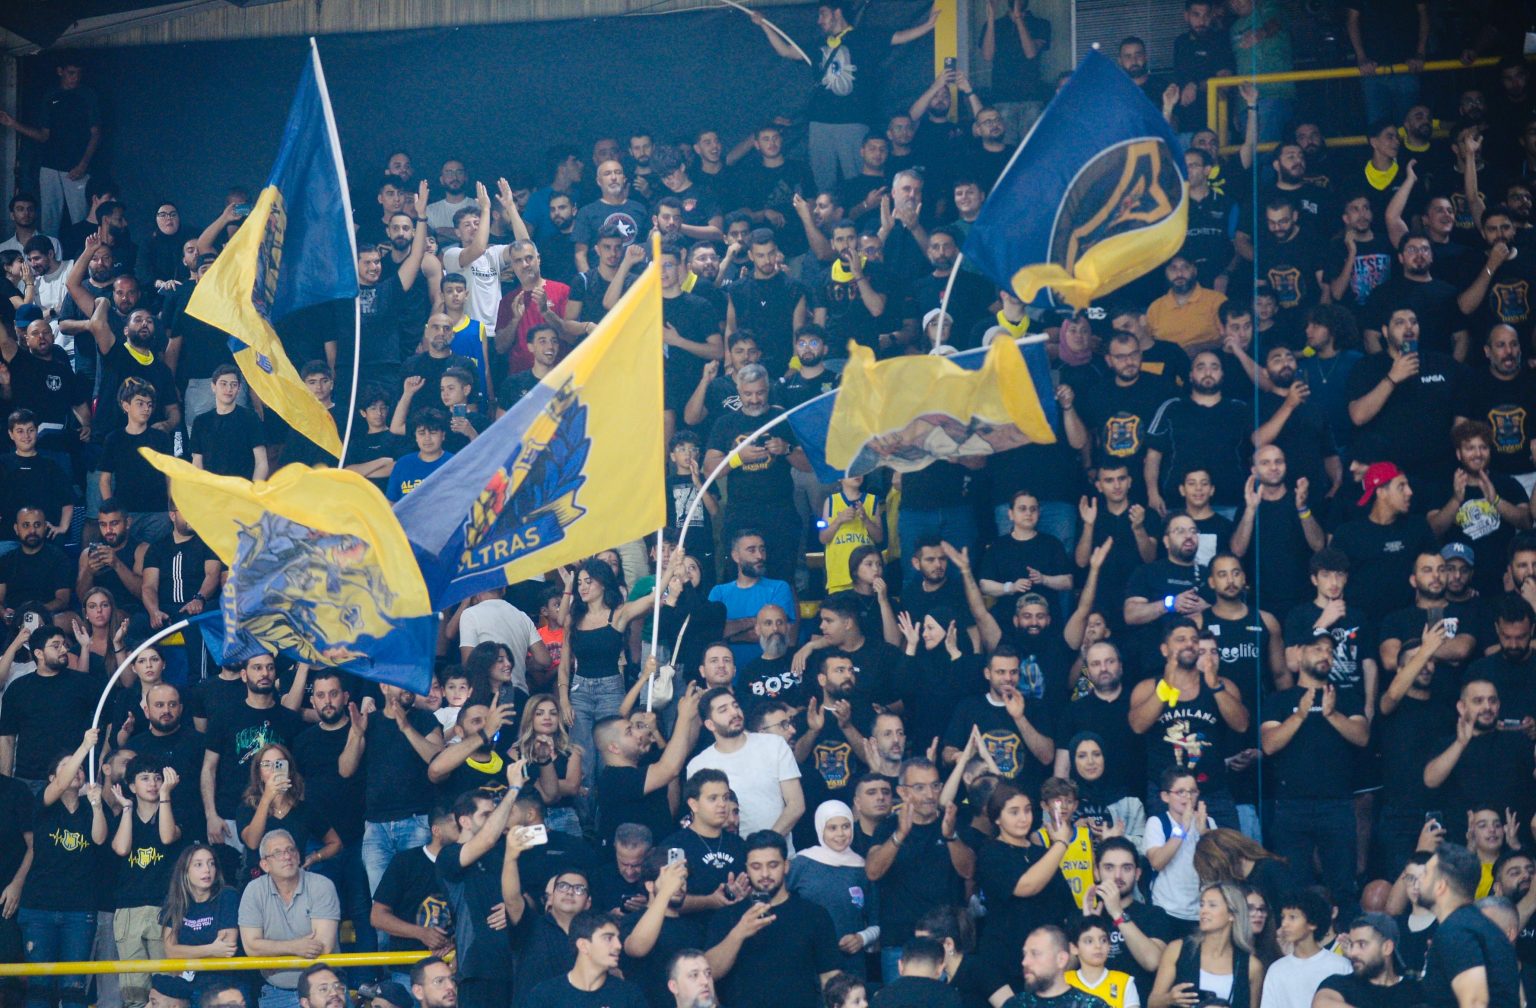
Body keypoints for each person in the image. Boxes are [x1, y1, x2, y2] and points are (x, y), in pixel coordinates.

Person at [705, 830, 841, 1008]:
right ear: (746, 869)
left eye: (773, 865)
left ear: (786, 866)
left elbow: (830, 978)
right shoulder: (727, 916)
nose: (765, 874)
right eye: (756, 866)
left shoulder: (814, 915)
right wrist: (739, 932)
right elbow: (708, 973)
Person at [20, 732, 108, 1008]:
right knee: (39, 987)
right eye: (69, 766)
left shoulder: (88, 807)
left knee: (74, 988)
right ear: (51, 777)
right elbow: (60, 784)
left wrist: (97, 805)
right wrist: (84, 746)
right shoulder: (44, 803)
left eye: (80, 767)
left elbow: (99, 839)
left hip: (79, 909)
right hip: (39, 907)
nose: (77, 770)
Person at [865, 758, 970, 980]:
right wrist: (900, 835)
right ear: (902, 792)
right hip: (901, 943)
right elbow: (872, 872)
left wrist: (951, 836)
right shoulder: (887, 827)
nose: (930, 794)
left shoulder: (952, 822)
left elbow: (969, 871)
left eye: (935, 786)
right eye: (920, 787)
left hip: (947, 942)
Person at [975, 784, 1076, 1002]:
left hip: (1046, 964)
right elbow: (1026, 886)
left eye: (1028, 810)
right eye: (1014, 812)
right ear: (997, 818)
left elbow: (1065, 904)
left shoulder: (1041, 853)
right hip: (1003, 962)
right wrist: (1061, 843)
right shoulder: (990, 853)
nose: (1023, 818)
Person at [236, 830, 340, 1008]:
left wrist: (272, 953)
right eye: (277, 853)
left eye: (291, 850)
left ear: (298, 856)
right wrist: (295, 947)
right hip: (276, 992)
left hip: (324, 990)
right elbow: (251, 947)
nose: (287, 856)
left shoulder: (321, 885)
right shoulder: (253, 890)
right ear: (265, 865)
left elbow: (323, 946)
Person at [687, 688, 805, 840]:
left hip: (777, 851)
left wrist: (766, 845)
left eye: (735, 706)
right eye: (723, 710)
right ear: (710, 725)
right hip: (727, 853)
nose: (734, 712)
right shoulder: (698, 765)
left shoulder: (775, 745)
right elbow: (702, 821)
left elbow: (796, 804)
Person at [1414, 843, 1522, 1007]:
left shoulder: (1456, 930)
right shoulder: (1484, 927)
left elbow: (1475, 1002)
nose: (1419, 879)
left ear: (1441, 886)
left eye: (1426, 873)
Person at [787, 800, 879, 978]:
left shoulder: (862, 867)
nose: (840, 834)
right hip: (807, 962)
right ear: (820, 828)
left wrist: (861, 938)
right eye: (832, 828)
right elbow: (781, 903)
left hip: (851, 966)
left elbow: (875, 921)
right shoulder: (802, 863)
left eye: (846, 826)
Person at [1147, 883, 1263, 1008]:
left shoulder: (1252, 966)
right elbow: (1152, 1003)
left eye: (1212, 905)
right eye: (1202, 905)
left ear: (1232, 915)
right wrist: (1169, 999)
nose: (1203, 911)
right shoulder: (1177, 949)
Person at [524, 911, 647, 1007]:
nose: (618, 946)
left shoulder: (629, 996)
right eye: (608, 938)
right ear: (583, 945)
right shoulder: (544, 996)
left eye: (618, 939)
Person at [160, 844, 240, 980]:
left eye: (211, 864)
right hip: (186, 977)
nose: (207, 870)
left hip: (220, 978)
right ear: (185, 871)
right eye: (198, 865)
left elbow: (226, 949)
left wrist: (185, 952)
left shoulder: (227, 895)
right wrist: (211, 949)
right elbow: (170, 951)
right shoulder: (175, 900)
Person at [1259, 889, 1350, 1007]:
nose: (1284, 924)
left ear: (1312, 923)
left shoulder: (1340, 965)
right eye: (1283, 917)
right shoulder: (1276, 970)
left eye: (1292, 917)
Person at [1312, 912, 1425, 1007]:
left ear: (1387, 947)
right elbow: (1322, 1004)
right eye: (1352, 945)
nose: (1353, 953)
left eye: (1362, 944)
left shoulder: (1415, 992)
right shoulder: (1339, 983)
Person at [1003, 925, 1110, 1008]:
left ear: (1061, 960)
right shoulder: (1014, 1005)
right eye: (1025, 954)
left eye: (1035, 953)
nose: (1025, 962)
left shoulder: (1092, 1005)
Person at [1065, 916, 1140, 1008]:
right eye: (1089, 941)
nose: (1098, 946)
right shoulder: (1064, 981)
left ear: (1109, 945)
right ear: (1074, 948)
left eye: (1103, 940)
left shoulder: (1124, 982)